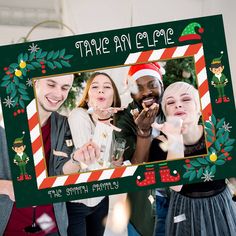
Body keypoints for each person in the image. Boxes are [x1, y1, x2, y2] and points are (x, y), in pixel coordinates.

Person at [0, 74, 99, 236]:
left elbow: (62, 171)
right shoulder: (5, 121)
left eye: (64, 88)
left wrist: (76, 159)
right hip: (9, 227)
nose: (58, 94)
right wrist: (7, 187)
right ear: (35, 82)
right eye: (51, 84)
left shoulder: (63, 125)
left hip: (50, 226)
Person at [151, 81, 236, 235]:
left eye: (186, 99)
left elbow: (232, 176)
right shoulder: (160, 143)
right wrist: (175, 137)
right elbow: (176, 184)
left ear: (199, 109)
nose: (178, 105)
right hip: (184, 209)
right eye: (171, 102)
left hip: (221, 205)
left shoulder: (217, 134)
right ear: (166, 112)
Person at [63, 72, 123, 236]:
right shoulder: (79, 116)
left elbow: (106, 164)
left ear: (113, 97)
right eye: (95, 87)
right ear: (88, 97)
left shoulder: (111, 121)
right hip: (76, 203)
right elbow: (90, 164)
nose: (101, 91)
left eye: (106, 87)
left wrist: (115, 163)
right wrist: (103, 123)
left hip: (101, 199)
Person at [115, 62, 166, 236]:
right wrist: (143, 132)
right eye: (139, 88)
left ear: (162, 85)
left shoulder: (174, 107)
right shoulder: (122, 121)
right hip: (141, 207)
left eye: (152, 85)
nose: (146, 93)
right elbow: (135, 167)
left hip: (177, 202)